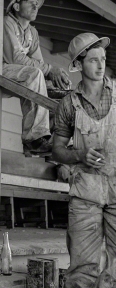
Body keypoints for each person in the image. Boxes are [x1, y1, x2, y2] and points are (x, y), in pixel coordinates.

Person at [52, 33, 114, 288]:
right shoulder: (68, 104)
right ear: (78, 65)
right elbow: (57, 150)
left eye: (103, 59)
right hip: (85, 192)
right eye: (93, 60)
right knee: (81, 272)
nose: (100, 66)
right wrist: (79, 155)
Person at [3, 0, 71, 155]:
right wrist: (49, 70)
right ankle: (33, 138)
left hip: (16, 73)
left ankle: (51, 139)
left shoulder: (32, 32)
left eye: (37, 5)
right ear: (17, 7)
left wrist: (54, 77)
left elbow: (39, 63)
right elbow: (15, 58)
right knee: (35, 75)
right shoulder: (7, 22)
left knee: (60, 90)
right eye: (31, 3)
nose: (35, 8)